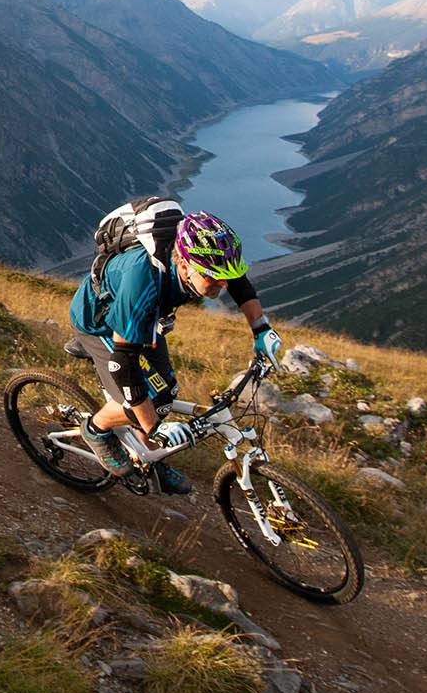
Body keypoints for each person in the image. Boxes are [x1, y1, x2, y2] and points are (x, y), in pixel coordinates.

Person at [67, 207, 282, 493]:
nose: (223, 283)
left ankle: (147, 457)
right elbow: (123, 363)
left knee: (166, 391)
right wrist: (155, 426)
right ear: (184, 264)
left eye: (224, 275)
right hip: (102, 324)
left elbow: (238, 282)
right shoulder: (142, 280)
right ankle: (96, 429)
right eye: (214, 277)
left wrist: (261, 329)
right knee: (145, 402)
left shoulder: (204, 262)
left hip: (146, 321)